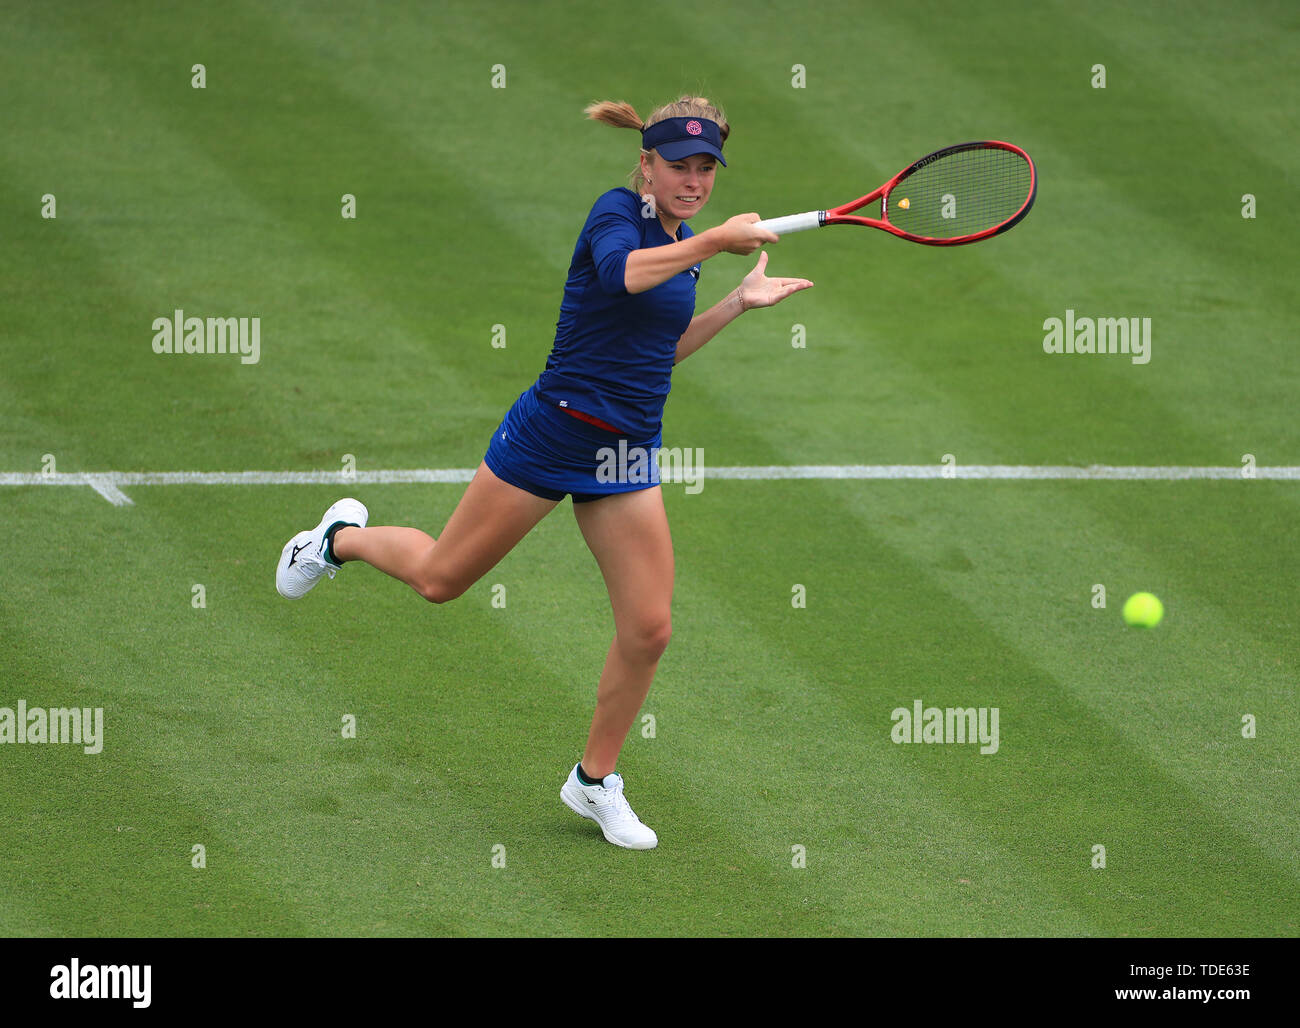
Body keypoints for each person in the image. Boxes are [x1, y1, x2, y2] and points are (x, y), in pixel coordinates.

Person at [275, 95, 812, 849]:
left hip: (625, 452)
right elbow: (622, 277)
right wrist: (714, 242)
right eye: (680, 167)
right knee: (439, 580)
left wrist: (735, 302)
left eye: (706, 170)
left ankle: (594, 782)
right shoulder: (616, 217)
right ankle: (337, 540)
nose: (694, 182)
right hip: (552, 433)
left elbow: (658, 353)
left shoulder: (686, 242)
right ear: (647, 166)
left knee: (649, 628)